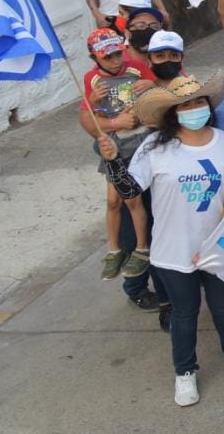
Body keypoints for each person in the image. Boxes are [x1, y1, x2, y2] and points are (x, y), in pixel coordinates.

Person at [97, 74, 224, 407]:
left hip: (217, 247)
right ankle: (185, 373)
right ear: (173, 112)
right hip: (173, 251)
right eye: (185, 105)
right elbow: (131, 190)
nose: (194, 109)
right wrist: (114, 160)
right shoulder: (155, 147)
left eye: (199, 102)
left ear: (208, 106)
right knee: (184, 314)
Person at [80, 28, 156, 283]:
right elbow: (92, 119)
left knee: (133, 200)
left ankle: (141, 247)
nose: (115, 60)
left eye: (117, 54)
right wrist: (93, 101)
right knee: (113, 201)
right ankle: (114, 250)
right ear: (94, 57)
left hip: (138, 143)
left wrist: (151, 83)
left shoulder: (136, 68)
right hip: (113, 148)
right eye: (107, 57)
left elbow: (154, 99)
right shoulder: (91, 79)